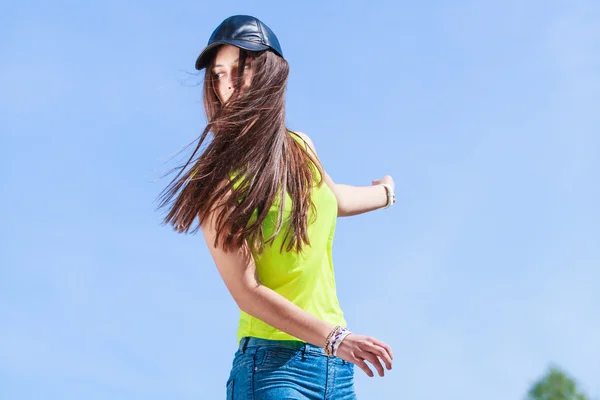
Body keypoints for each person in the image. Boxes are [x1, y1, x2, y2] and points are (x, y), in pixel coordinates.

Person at [157, 15, 396, 400]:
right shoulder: (215, 178)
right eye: (218, 74)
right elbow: (246, 290)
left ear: (269, 72)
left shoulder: (299, 147)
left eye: (240, 68)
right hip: (271, 371)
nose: (227, 82)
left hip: (336, 370)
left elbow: (336, 201)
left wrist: (385, 192)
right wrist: (335, 338)